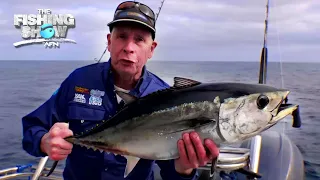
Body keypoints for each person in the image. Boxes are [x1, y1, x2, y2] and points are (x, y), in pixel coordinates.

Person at [21, 1, 220, 180]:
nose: (128, 48)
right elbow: (32, 126)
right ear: (109, 41)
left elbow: (171, 173)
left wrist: (183, 170)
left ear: (151, 49)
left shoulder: (165, 97)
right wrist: (44, 141)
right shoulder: (78, 81)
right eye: (122, 36)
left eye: (139, 39)